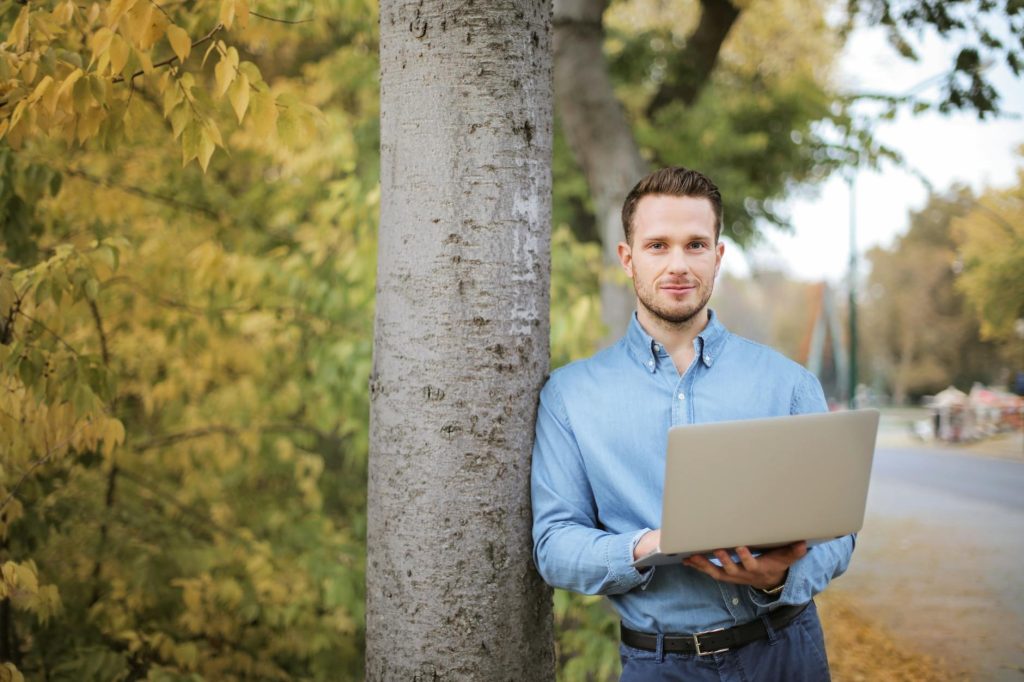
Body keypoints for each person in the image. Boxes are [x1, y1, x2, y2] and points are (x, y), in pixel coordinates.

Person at [531, 167, 854, 681]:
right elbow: (554, 546)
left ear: (718, 256)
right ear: (627, 257)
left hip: (785, 651)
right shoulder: (570, 397)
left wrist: (779, 578)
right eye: (658, 245)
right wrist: (648, 546)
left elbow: (837, 533)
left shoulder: (788, 383)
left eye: (696, 244)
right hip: (659, 665)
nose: (678, 264)